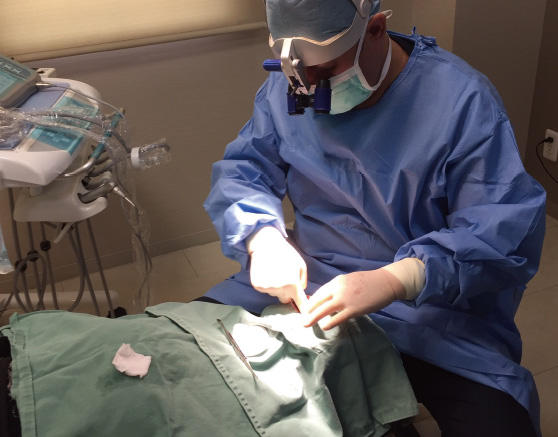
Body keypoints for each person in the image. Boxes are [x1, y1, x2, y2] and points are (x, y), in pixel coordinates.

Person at [202, 0, 546, 435]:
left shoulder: (460, 100)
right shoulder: (293, 86)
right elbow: (245, 169)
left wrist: (396, 280)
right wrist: (262, 239)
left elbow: (500, 230)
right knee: (190, 370)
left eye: (327, 71)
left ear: (376, 29)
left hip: (430, 310)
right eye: (298, 75)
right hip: (311, 286)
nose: (310, 90)